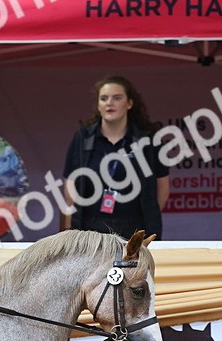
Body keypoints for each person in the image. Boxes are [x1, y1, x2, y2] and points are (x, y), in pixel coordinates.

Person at [63, 76, 169, 239]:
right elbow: (70, 185)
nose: (109, 103)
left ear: (129, 103)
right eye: (104, 98)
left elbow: (162, 188)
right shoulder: (82, 139)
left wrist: (150, 217)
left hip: (135, 229)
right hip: (90, 230)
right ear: (98, 105)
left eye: (117, 98)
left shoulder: (148, 141)